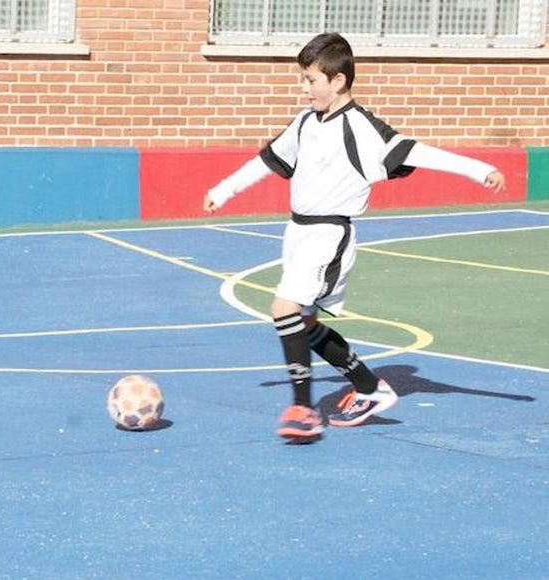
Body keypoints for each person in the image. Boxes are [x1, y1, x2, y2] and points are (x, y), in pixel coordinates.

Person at [202, 33, 505, 442]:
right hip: (297, 231)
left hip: (329, 234)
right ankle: (369, 387)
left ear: (338, 81)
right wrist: (222, 191)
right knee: (303, 322)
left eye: (311, 80)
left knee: (283, 307)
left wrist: (479, 169)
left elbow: (419, 152)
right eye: (303, 79)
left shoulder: (362, 128)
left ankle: (303, 410)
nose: (304, 88)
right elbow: (266, 161)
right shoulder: (305, 122)